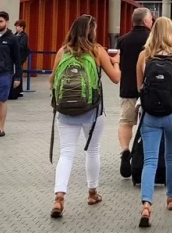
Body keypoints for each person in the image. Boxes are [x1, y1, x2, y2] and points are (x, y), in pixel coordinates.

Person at [49, 14, 120, 219]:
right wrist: (116, 63)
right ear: (91, 31)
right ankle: (92, 192)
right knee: (92, 150)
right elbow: (116, 79)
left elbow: (52, 80)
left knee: (66, 153)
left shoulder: (63, 51)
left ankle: (59, 197)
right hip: (92, 110)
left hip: (65, 112)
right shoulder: (97, 51)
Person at [136, 17, 172, 228]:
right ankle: (170, 198)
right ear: (171, 33)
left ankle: (147, 206)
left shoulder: (144, 56)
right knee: (171, 155)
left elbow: (139, 87)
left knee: (150, 161)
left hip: (149, 115)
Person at [117, 7, 154, 179]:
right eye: (151, 20)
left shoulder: (123, 40)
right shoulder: (152, 40)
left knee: (126, 122)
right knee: (148, 125)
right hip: (150, 91)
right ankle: (145, 157)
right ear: (146, 22)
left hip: (128, 88)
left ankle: (125, 151)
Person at [9, 19, 31, 100]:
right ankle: (17, 89)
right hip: (14, 57)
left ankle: (19, 90)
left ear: (22, 27)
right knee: (16, 73)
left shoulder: (24, 36)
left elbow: (22, 46)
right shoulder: (15, 35)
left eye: (17, 26)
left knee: (18, 72)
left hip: (20, 57)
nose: (16, 28)